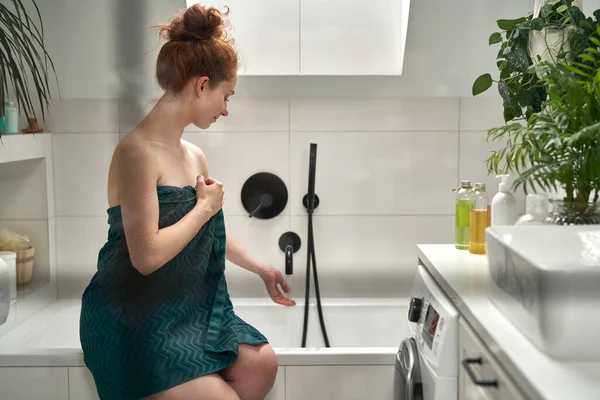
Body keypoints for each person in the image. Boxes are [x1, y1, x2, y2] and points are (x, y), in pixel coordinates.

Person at [79, 4, 295, 400]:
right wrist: (203, 207)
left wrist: (262, 268)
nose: (226, 109)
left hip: (184, 313)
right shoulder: (135, 153)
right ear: (201, 85)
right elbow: (146, 256)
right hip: (133, 317)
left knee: (262, 362)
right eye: (226, 96)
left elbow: (206, 233)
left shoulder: (194, 155)